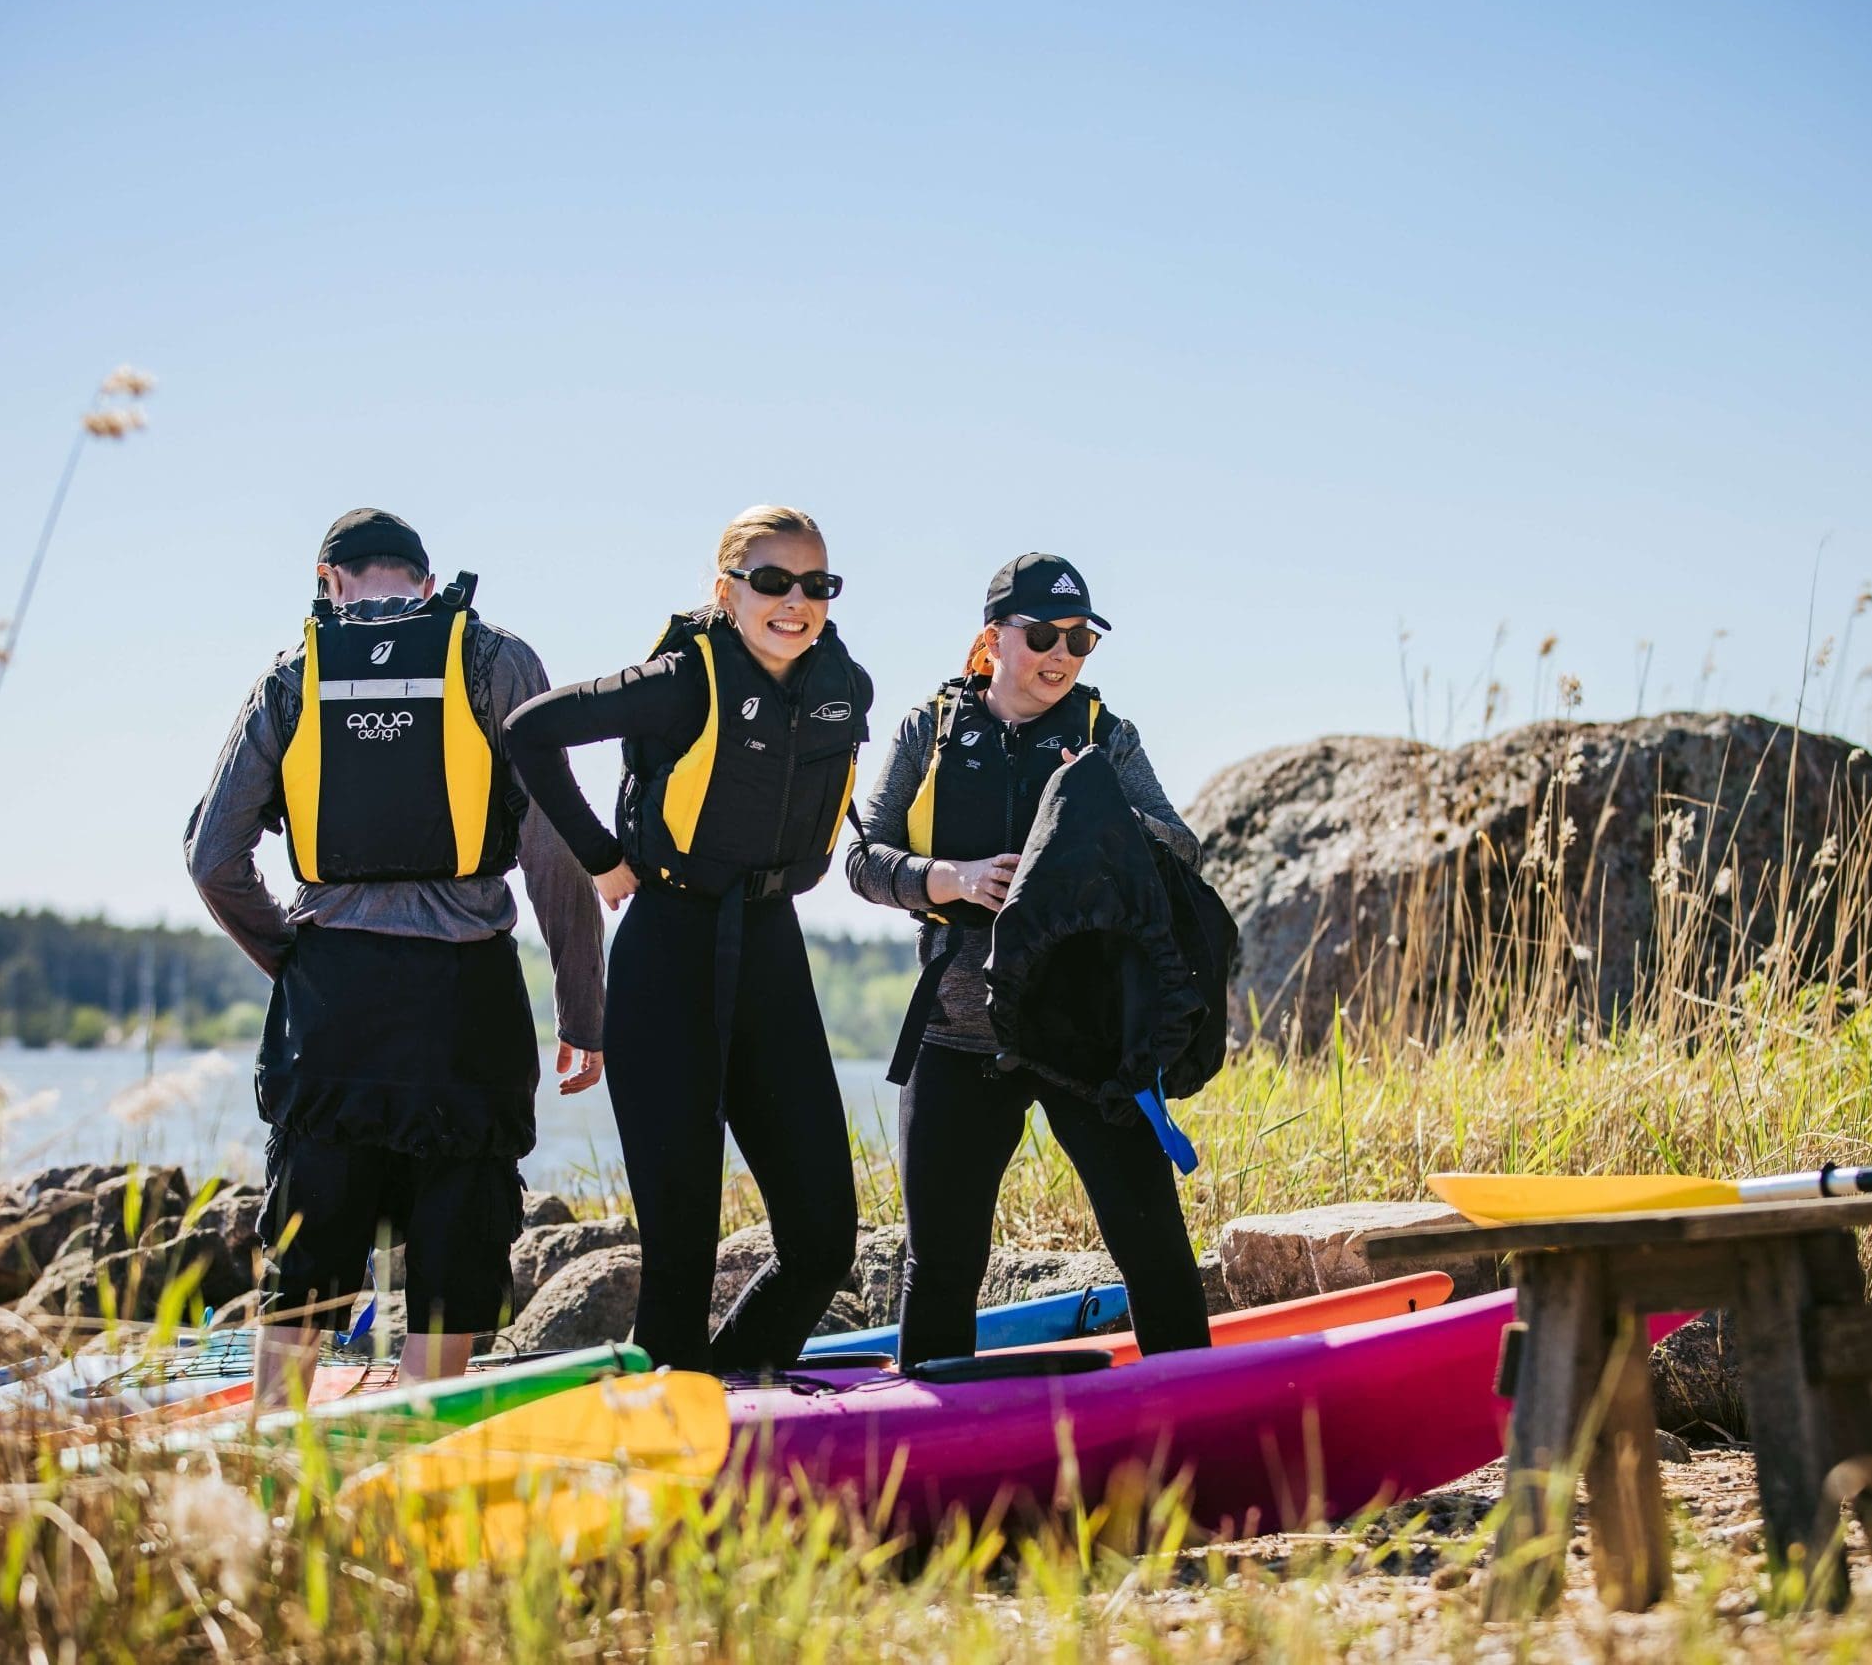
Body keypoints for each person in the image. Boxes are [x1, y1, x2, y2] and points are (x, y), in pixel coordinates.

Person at [186, 507, 605, 1405]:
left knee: (307, 1266)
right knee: (453, 1263)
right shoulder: (494, 659)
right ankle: (421, 1453)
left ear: (328, 580)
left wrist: (293, 960)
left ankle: (278, 1467)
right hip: (467, 1005)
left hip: (333, 1004)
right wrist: (581, 1007)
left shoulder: (296, 672)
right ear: (425, 579)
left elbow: (210, 854)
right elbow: (552, 849)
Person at [504, 505, 872, 1374]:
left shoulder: (839, 686)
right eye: (772, 581)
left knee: (823, 1239)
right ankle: (675, 1430)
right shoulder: (682, 679)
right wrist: (601, 859)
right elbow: (530, 731)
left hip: (772, 955)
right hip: (669, 953)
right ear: (726, 590)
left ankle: (731, 1392)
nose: (796, 602)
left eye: (816, 585)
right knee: (680, 1260)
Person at [847, 553, 1214, 1368]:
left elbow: (1180, 845)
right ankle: (936, 1456)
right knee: (939, 1265)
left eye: (1080, 640)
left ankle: (1196, 1422)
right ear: (992, 640)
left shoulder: (1104, 736)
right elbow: (863, 858)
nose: (1061, 655)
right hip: (957, 1035)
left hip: (1087, 1040)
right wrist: (950, 878)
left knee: (1153, 1248)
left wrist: (1097, 815)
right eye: (1043, 634)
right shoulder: (928, 730)